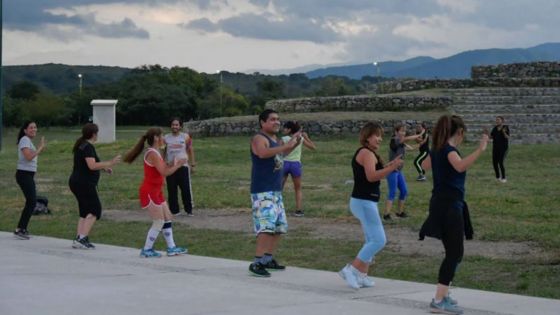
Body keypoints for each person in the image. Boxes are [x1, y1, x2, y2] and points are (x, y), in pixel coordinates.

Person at [419, 115, 488, 315]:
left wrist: (433, 152)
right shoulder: (449, 151)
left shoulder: (438, 150)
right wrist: (480, 149)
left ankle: (444, 293)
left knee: (453, 252)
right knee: (455, 253)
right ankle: (439, 300)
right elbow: (459, 165)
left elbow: (424, 166)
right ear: (459, 132)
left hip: (440, 204)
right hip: (450, 206)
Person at [338, 122, 403, 289]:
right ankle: (351, 270)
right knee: (379, 240)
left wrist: (390, 165)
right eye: (377, 135)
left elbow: (374, 172)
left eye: (381, 135)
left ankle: (361, 275)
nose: (380, 139)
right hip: (363, 201)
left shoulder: (369, 153)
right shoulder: (366, 153)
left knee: (370, 240)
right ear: (368, 137)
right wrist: (392, 168)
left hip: (365, 201)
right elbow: (372, 176)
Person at [248, 109, 301, 277]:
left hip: (275, 191)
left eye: (278, 119)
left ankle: (267, 258)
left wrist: (295, 143)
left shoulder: (275, 139)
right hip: (263, 190)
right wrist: (285, 145)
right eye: (272, 119)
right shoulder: (259, 138)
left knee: (278, 227)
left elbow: (280, 155)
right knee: (266, 227)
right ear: (262, 123)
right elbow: (262, 153)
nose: (276, 122)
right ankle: (257, 262)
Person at [124, 127, 188, 258]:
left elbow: (162, 168)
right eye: (161, 135)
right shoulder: (152, 153)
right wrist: (178, 165)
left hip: (157, 190)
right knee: (159, 221)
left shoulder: (157, 152)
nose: (163, 138)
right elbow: (165, 173)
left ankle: (171, 247)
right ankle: (147, 249)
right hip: (149, 191)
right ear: (155, 138)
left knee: (167, 217)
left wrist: (172, 163)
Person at [69, 123, 121, 249]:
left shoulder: (81, 145)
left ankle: (79, 238)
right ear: (93, 134)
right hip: (84, 183)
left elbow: (89, 164)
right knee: (95, 210)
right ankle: (82, 239)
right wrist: (111, 162)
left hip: (76, 182)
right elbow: (91, 166)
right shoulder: (88, 147)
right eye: (97, 133)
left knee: (84, 211)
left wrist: (105, 168)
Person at [14, 121, 46, 240]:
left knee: (31, 201)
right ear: (25, 130)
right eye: (31, 127)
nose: (34, 129)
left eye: (35, 127)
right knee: (31, 201)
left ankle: (21, 228)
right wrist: (40, 148)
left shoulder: (27, 140)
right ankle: (20, 229)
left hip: (27, 175)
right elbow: (28, 157)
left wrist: (38, 149)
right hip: (24, 175)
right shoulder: (25, 140)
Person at [383, 123, 421, 220]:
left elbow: (411, 148)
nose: (403, 133)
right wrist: (417, 135)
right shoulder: (394, 140)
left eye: (404, 131)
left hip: (399, 171)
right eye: (401, 131)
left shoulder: (402, 142)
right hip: (392, 170)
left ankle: (400, 212)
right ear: (396, 132)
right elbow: (406, 139)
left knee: (404, 191)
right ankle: (386, 215)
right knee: (393, 192)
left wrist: (422, 143)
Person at [281, 121, 316, 217]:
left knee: (279, 188)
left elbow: (280, 152)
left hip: (284, 163)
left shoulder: (283, 139)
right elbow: (313, 147)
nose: (283, 130)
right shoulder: (300, 139)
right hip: (295, 164)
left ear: (289, 130)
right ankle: (299, 210)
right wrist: (307, 137)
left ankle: (276, 208)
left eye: (285, 128)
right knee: (298, 188)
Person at [164, 118, 196, 216]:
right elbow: (162, 151)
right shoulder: (166, 138)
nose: (175, 127)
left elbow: (190, 150)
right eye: (173, 125)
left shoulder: (185, 137)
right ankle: (174, 211)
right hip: (170, 167)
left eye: (177, 125)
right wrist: (162, 164)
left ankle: (189, 210)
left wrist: (193, 164)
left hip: (183, 167)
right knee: (172, 189)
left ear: (180, 126)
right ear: (170, 126)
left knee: (185, 189)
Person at [490, 116, 510, 183]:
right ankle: (498, 177)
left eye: (498, 120)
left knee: (500, 162)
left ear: (502, 121)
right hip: (495, 148)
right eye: (496, 120)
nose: (497, 121)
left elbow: (507, 137)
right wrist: (486, 133)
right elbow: (491, 136)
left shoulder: (505, 127)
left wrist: (503, 132)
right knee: (494, 163)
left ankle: (504, 178)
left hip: (503, 148)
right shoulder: (495, 128)